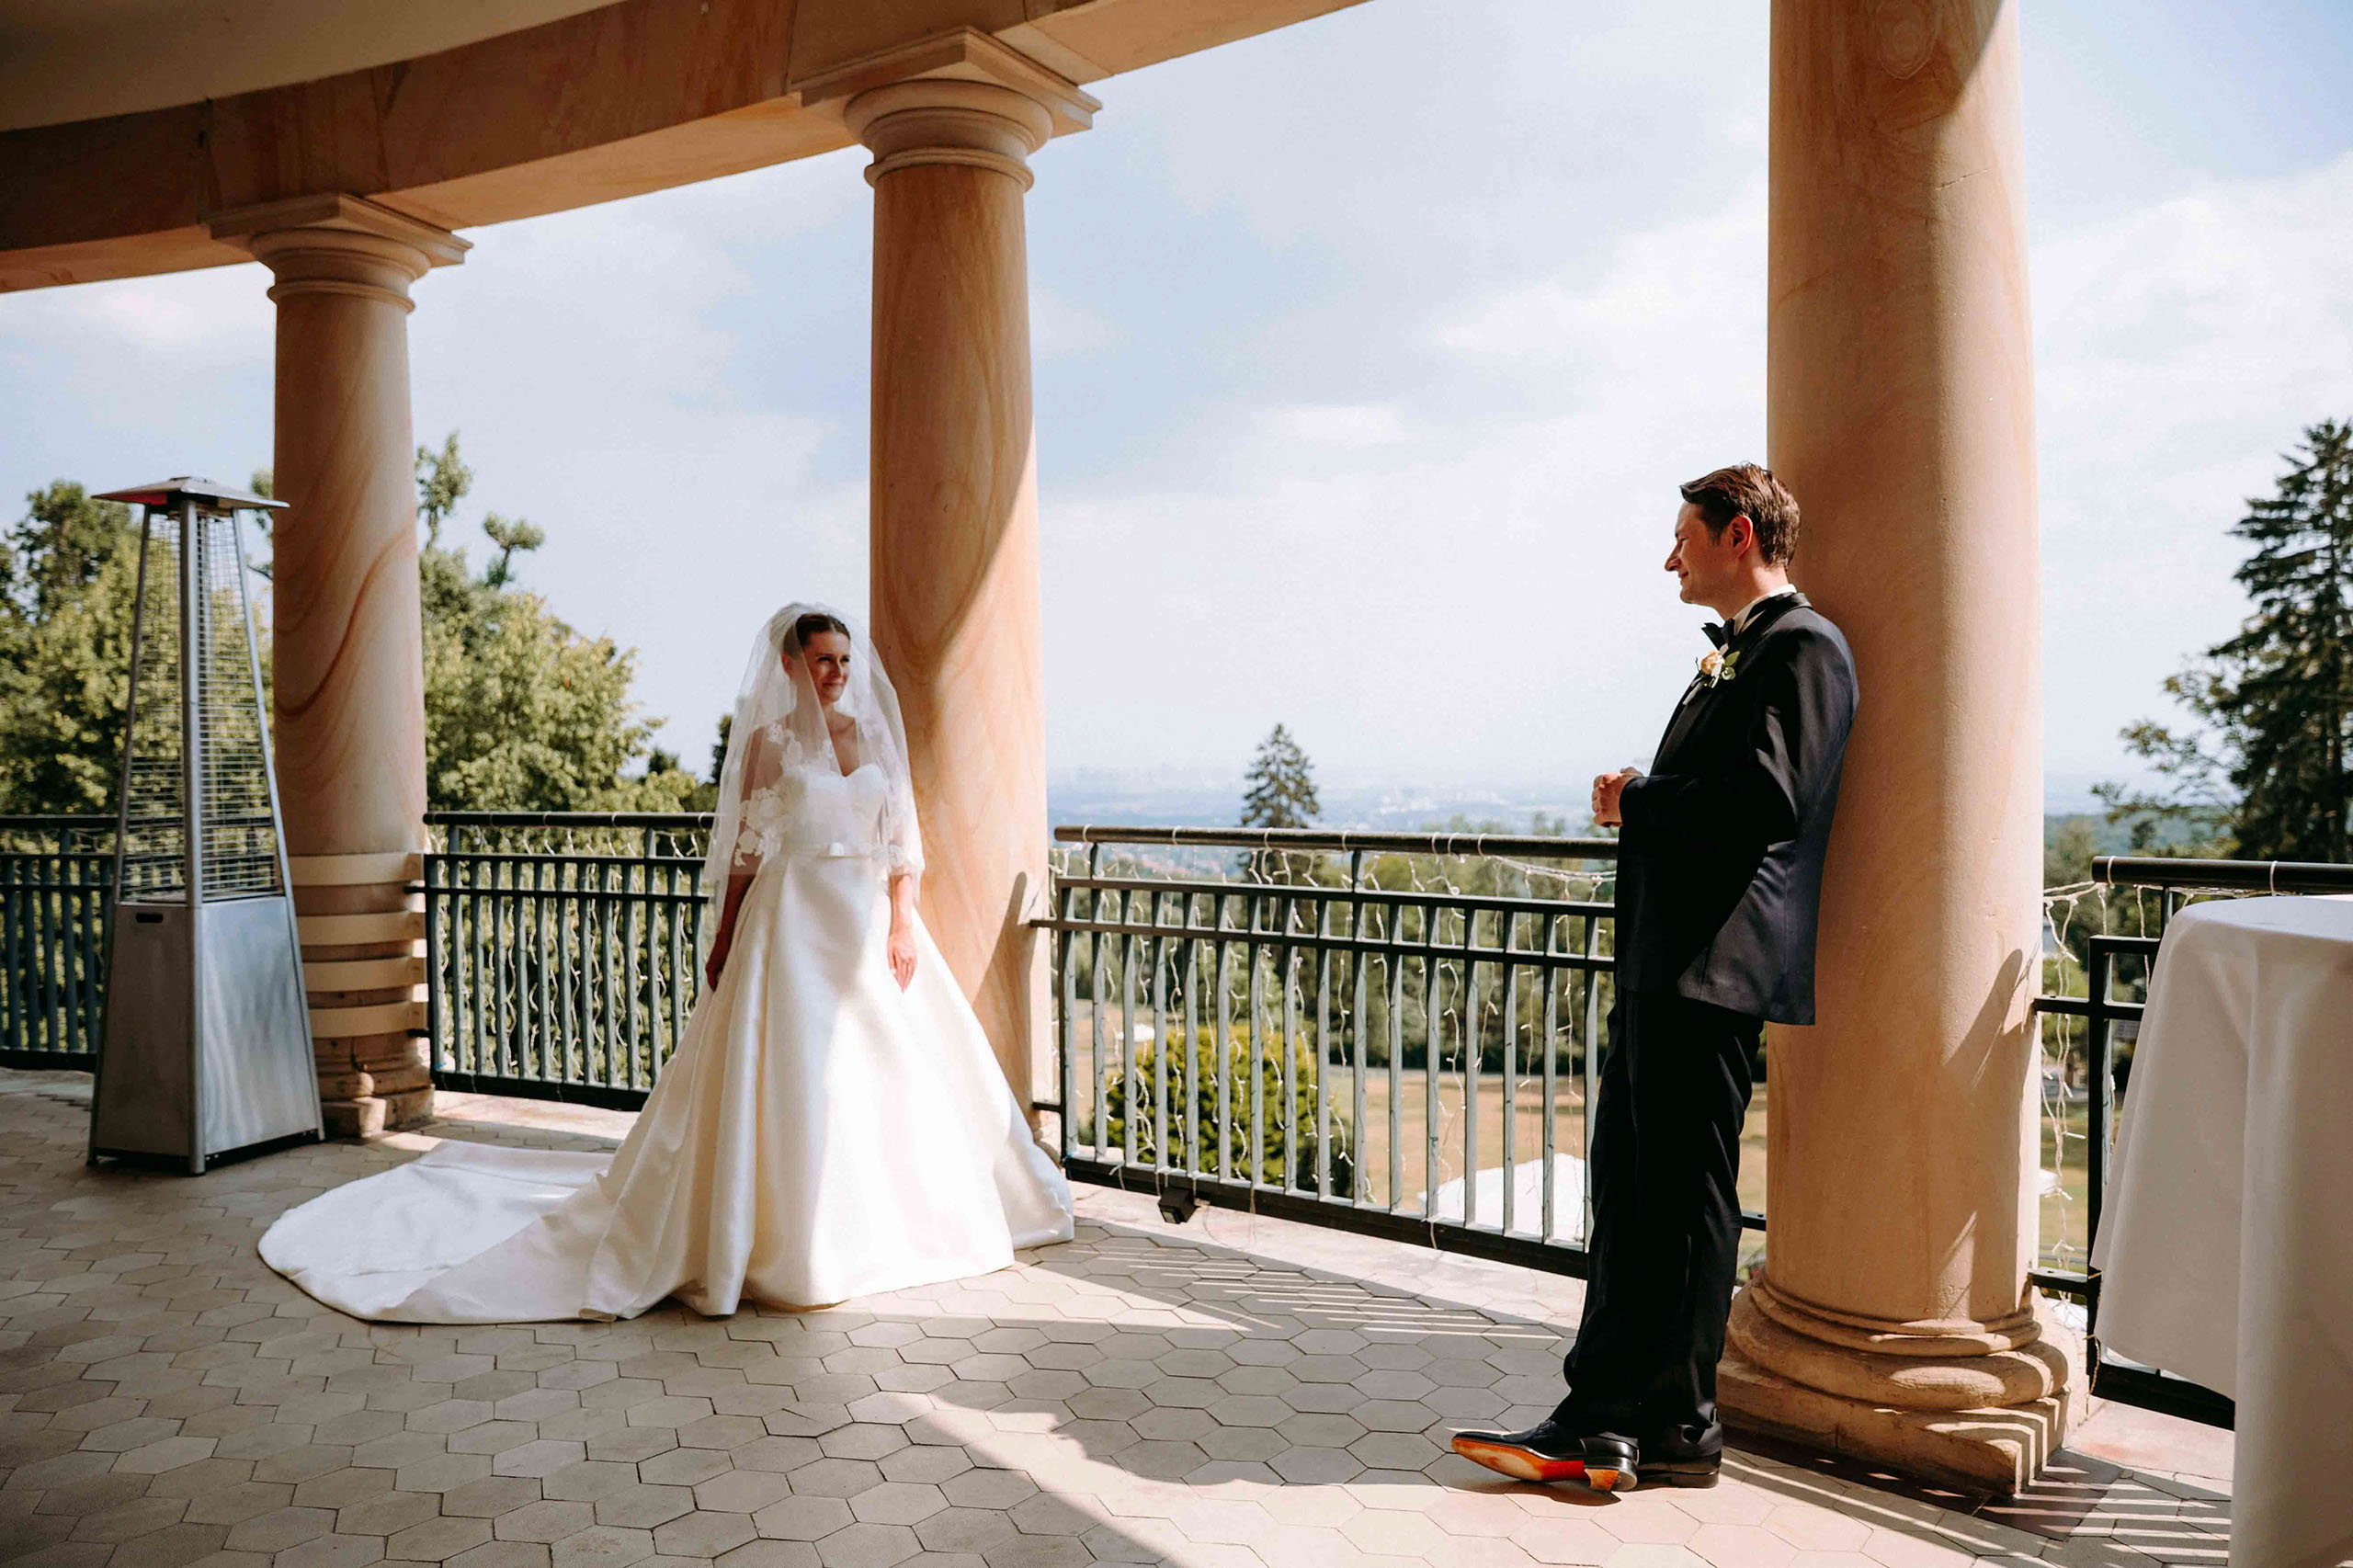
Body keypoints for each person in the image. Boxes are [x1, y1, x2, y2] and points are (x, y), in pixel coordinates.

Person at [260, 604, 1074, 1322]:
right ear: (792, 663)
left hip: (866, 924)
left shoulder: (869, 737)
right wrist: (724, 937)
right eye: (822, 658)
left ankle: (898, 1222)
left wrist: (902, 924)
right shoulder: (768, 744)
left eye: (844, 661)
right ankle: (780, 1238)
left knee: (892, 1071)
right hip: (792, 923)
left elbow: (902, 843)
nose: (835, 673)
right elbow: (748, 852)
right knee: (789, 1073)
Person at [1452, 466, 1857, 1491]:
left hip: (1710, 968)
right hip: (1670, 964)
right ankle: (1637, 1421)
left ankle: (1634, 1416)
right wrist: (1644, 798)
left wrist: (1639, 799)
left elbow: (1765, 799)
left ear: (1734, 535)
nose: (1668, 556)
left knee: (1677, 1200)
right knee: (1638, 1195)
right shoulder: (1738, 655)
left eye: (1682, 536)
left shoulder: (1801, 647)